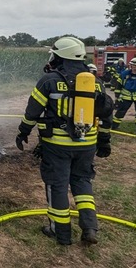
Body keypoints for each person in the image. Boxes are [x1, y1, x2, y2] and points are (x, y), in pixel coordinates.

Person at [15, 36, 113, 246]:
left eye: (55, 55)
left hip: (57, 146)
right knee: (82, 182)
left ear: (61, 57)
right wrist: (104, 141)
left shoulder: (49, 80)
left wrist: (23, 131)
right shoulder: (95, 83)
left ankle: (60, 232)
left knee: (57, 185)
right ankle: (89, 227)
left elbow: (32, 111)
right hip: (87, 145)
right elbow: (106, 114)